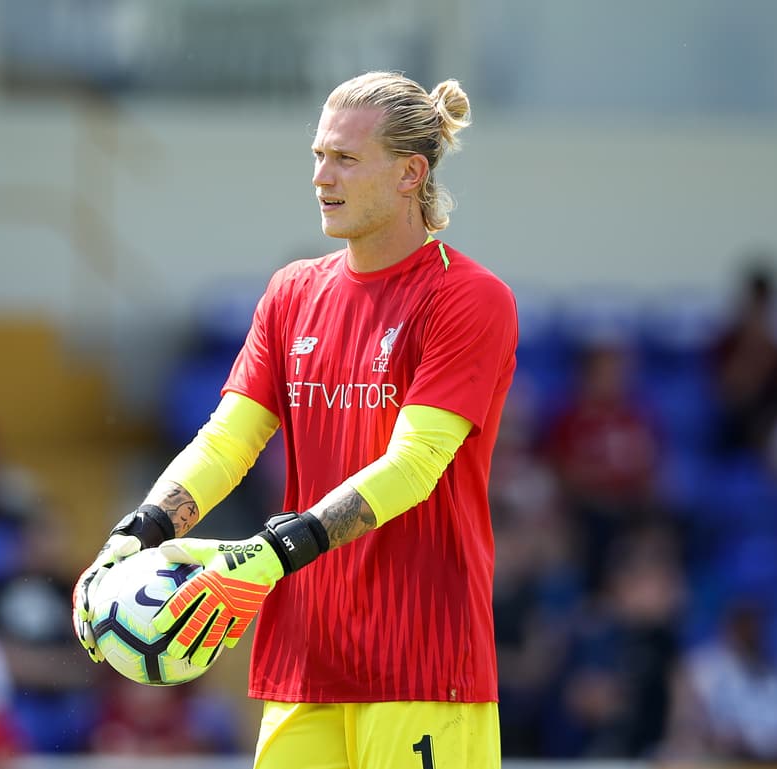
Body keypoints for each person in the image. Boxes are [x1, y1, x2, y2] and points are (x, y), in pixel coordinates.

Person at [72, 71, 517, 769]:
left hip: (425, 663)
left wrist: (270, 553)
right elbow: (226, 440)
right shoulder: (292, 292)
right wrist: (137, 533)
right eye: (317, 155)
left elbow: (415, 465)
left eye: (344, 158)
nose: (320, 176)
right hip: (304, 662)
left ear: (411, 173)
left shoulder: (469, 298)